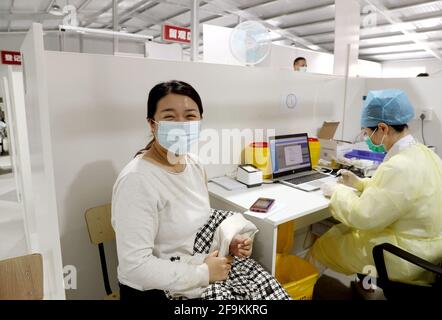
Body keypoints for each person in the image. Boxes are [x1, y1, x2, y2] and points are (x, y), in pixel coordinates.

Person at [112, 80, 289, 300]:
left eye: (189, 116)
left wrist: (228, 242)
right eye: (169, 116)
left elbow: (197, 224)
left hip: (197, 266)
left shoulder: (193, 164)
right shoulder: (137, 180)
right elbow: (135, 268)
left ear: (200, 121)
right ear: (152, 124)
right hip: (156, 288)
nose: (181, 124)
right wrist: (204, 273)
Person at [310, 89, 442, 286]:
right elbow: (399, 194)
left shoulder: (399, 166)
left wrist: (336, 192)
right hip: (429, 250)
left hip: (402, 257)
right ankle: (364, 288)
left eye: (367, 132)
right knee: (341, 231)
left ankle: (296, 292)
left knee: (325, 245)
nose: (367, 138)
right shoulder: (426, 154)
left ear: (383, 128)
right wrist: (360, 183)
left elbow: (363, 216)